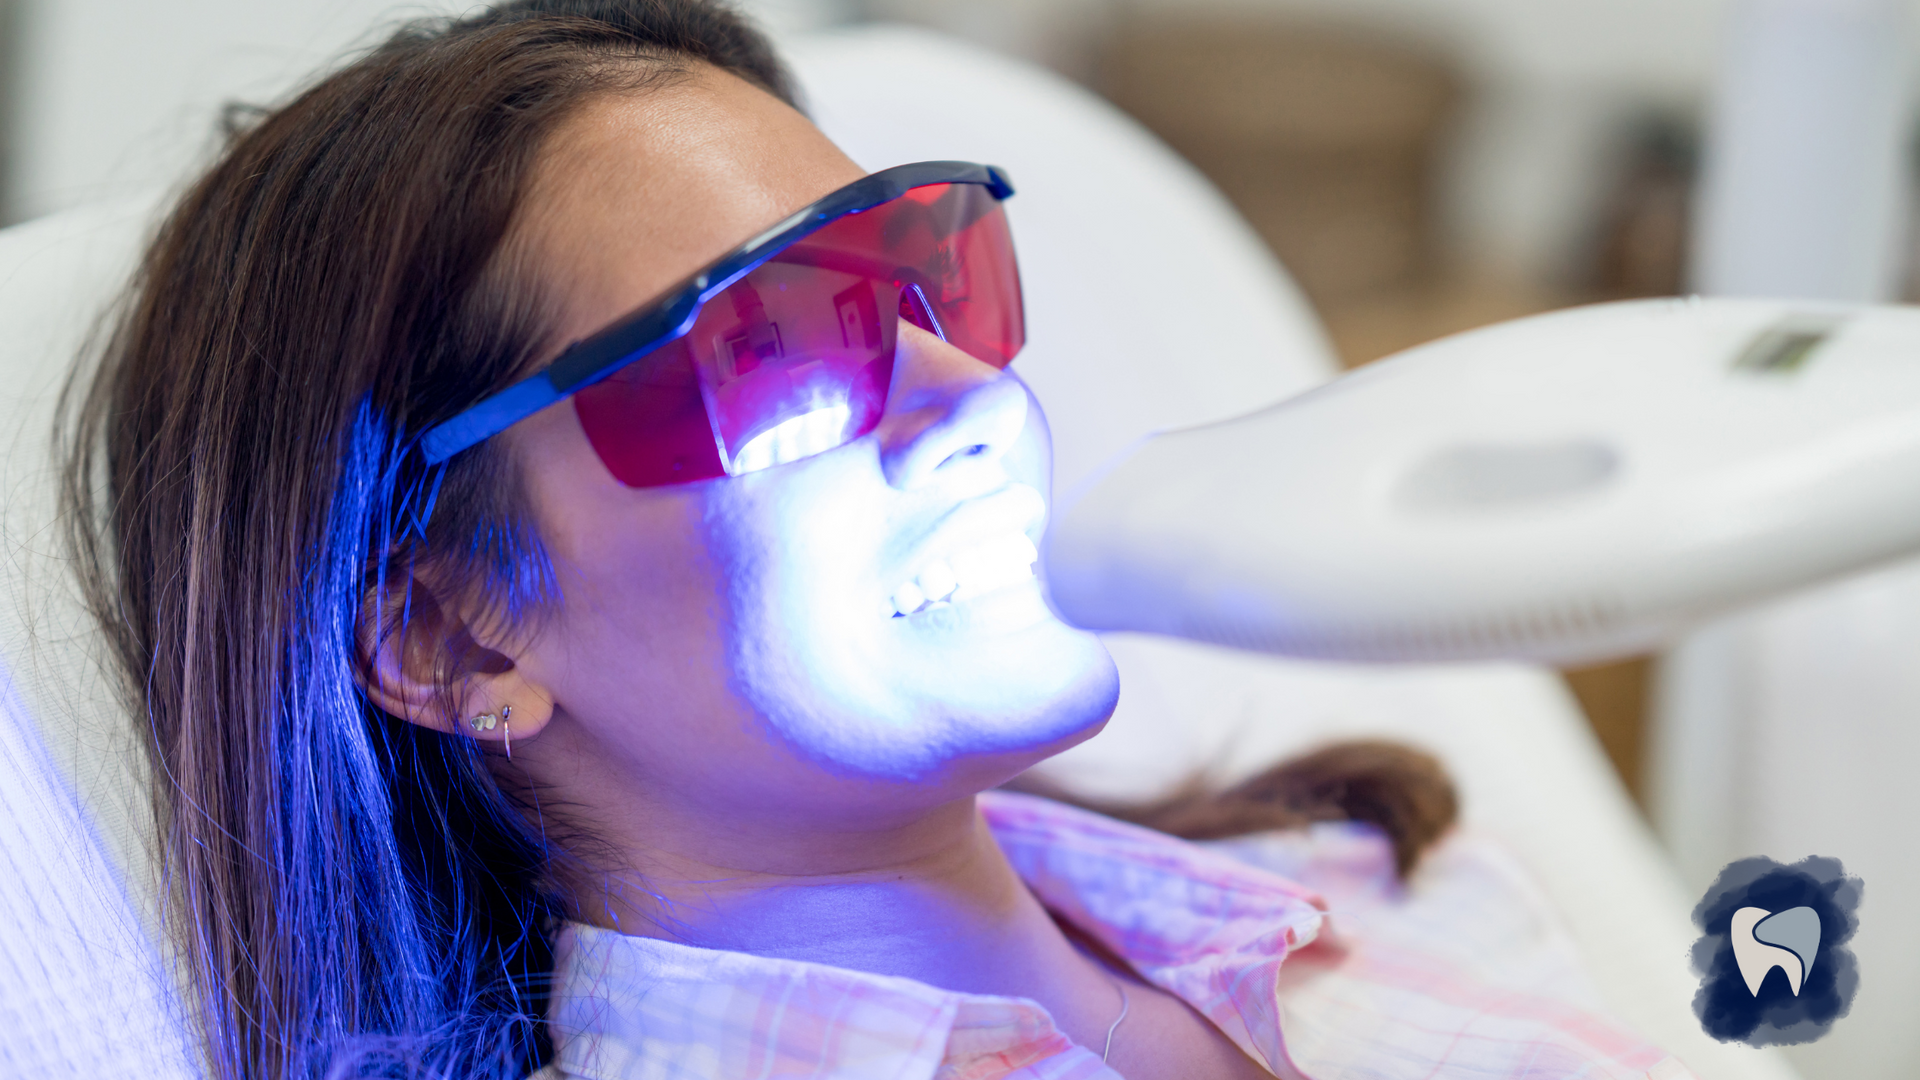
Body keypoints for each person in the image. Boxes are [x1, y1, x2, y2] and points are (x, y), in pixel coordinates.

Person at [63, 3, 1688, 1078]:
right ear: (457, 633)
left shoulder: (1348, 874)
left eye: (934, 277)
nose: (972, 394)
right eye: (770, 352)